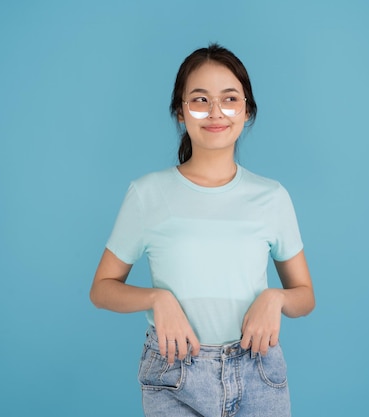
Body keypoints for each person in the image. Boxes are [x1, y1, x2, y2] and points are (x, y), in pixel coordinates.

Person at [90, 43, 315, 417]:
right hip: (175, 372)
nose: (215, 113)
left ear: (246, 111)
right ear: (180, 111)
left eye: (229, 99)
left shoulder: (272, 197)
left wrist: (275, 299)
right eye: (200, 100)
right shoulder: (146, 194)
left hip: (259, 371)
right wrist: (156, 299)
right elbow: (101, 289)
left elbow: (305, 296)